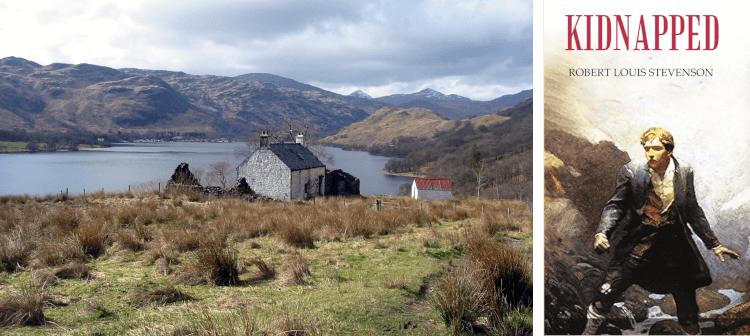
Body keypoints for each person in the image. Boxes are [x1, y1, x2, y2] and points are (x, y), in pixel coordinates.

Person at [583, 127, 739, 335]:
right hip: (639, 243)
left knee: (687, 306)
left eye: (656, 148)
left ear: (669, 150)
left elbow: (693, 211)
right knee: (607, 290)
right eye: (647, 148)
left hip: (676, 248)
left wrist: (714, 244)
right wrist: (602, 232)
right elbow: (616, 206)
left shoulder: (684, 172)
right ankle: (587, 332)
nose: (650, 153)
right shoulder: (632, 171)